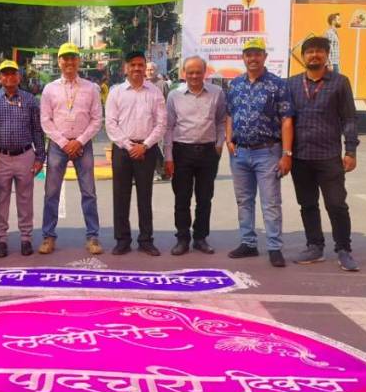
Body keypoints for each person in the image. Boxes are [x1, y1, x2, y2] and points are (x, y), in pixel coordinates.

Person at [286, 36, 360, 272]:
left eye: (319, 51)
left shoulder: (340, 82)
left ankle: (344, 249)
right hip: (300, 157)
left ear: (327, 55)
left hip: (329, 156)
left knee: (337, 204)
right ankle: (315, 246)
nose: (314, 55)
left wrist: (350, 150)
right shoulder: (293, 84)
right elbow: (285, 120)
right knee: (307, 204)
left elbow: (349, 118)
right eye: (310, 52)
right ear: (303, 56)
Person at [226, 37, 294, 268]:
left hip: (268, 152)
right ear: (243, 58)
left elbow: (286, 120)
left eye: (257, 54)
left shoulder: (277, 85)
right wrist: (229, 139)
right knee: (244, 201)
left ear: (265, 56)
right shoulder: (235, 85)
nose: (252, 58)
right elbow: (229, 115)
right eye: (248, 54)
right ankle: (248, 243)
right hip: (240, 153)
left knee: (270, 202)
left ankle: (274, 247)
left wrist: (287, 154)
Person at [39, 42, 104, 255]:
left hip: (83, 145)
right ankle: (48, 236)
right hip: (58, 145)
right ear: (59, 61)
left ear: (79, 61)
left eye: (73, 58)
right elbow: (45, 120)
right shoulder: (50, 89)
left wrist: (80, 141)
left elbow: (97, 120)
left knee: (89, 192)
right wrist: (64, 142)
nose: (69, 62)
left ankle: (93, 237)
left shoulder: (91, 88)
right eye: (65, 58)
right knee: (51, 193)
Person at [164, 55, 227, 256]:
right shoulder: (174, 95)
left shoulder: (217, 93)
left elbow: (221, 121)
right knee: (182, 198)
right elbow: (168, 127)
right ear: (184, 73)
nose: (194, 76)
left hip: (208, 152)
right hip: (182, 151)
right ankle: (182, 238)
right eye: (190, 72)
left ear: (204, 73)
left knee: (205, 197)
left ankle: (200, 237)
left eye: (198, 72)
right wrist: (168, 156)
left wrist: (218, 145)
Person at [105, 51, 167, 256]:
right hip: (123, 151)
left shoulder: (155, 93)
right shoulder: (116, 92)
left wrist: (145, 145)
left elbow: (161, 123)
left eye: (141, 65)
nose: (137, 69)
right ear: (126, 68)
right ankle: (122, 240)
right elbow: (111, 124)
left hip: (147, 150)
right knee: (120, 197)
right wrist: (129, 145)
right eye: (133, 65)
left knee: (145, 196)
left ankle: (146, 240)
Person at [0, 60, 45, 258]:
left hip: (25, 155)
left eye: (13, 74)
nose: (9, 77)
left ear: (19, 77)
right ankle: (1, 239)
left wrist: (39, 157)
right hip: (0, 156)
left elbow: (37, 130)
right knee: (0, 199)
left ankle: (26, 238)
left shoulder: (29, 100)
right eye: (5, 74)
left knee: (25, 199)